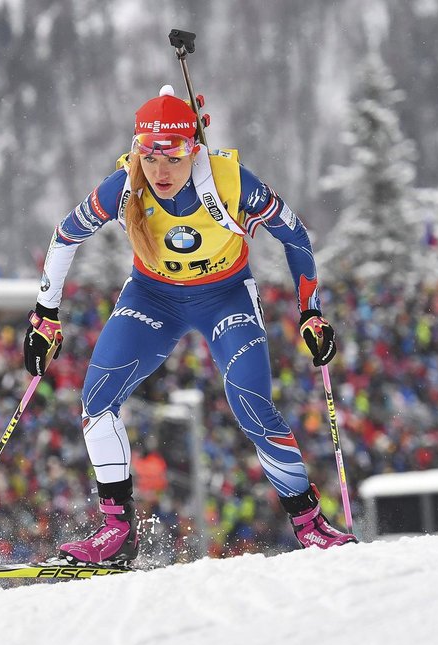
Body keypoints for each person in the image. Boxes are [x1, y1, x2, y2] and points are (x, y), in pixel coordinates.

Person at [23, 85, 356, 565]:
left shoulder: (230, 180)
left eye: (174, 157)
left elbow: (295, 234)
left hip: (224, 296)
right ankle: (117, 530)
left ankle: (310, 524)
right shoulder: (124, 185)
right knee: (96, 400)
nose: (161, 170)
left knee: (249, 400)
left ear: (194, 150)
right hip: (153, 296)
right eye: (150, 156)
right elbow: (65, 235)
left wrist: (311, 311)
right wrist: (45, 316)